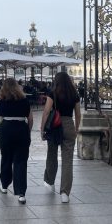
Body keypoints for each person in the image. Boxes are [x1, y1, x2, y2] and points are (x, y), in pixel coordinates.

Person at [40, 72, 81, 203]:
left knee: (52, 154)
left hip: (54, 125)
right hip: (69, 123)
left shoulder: (53, 93)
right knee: (68, 160)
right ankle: (65, 193)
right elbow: (78, 113)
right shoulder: (74, 94)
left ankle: (50, 182)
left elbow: (46, 112)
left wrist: (42, 129)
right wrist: (76, 128)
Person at [0, 78, 33, 204]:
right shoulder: (24, 100)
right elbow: (30, 118)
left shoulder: (3, 101)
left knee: (6, 158)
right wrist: (28, 131)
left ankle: (4, 185)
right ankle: (21, 193)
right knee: (21, 161)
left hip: (6, 129)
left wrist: (0, 96)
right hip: (21, 129)